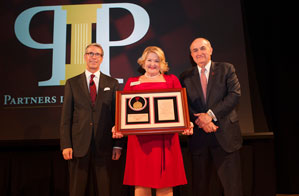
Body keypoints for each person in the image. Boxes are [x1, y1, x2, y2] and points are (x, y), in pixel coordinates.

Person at [112, 46, 193, 196]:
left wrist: (187, 122)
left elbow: (181, 108)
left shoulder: (172, 80)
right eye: (149, 60)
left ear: (162, 63)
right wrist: (118, 125)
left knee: (166, 184)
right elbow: (124, 111)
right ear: (143, 62)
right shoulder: (132, 82)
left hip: (166, 141)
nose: (152, 64)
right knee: (141, 185)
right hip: (139, 142)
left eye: (156, 60)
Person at [179, 38, 243, 196]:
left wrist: (210, 115)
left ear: (211, 50)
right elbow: (184, 105)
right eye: (195, 50)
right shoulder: (185, 76)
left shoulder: (226, 69)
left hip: (225, 135)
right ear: (191, 55)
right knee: (200, 188)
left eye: (202, 48)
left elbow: (234, 95)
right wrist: (201, 121)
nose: (199, 53)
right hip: (199, 138)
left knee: (232, 187)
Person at [60, 43, 123, 196]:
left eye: (97, 54)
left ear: (102, 59)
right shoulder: (72, 83)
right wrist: (66, 145)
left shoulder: (112, 83)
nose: (93, 57)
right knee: (77, 190)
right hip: (78, 145)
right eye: (90, 53)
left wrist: (118, 145)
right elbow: (66, 117)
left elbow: (118, 116)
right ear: (84, 57)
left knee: (105, 189)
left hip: (105, 144)